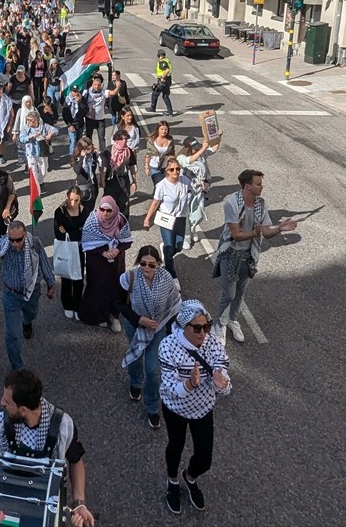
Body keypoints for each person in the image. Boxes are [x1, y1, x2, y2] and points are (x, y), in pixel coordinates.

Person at [0, 369, 95, 527]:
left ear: (23, 410)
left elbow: (76, 460)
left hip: (45, 508)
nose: (2, 402)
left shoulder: (63, 425)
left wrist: (79, 503)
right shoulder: (1, 422)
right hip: (9, 504)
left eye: (7, 401)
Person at [157, 301, 231, 515]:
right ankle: (172, 481)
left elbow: (224, 376)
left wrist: (222, 383)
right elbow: (169, 386)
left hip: (203, 408)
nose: (203, 333)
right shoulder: (168, 346)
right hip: (175, 408)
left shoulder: (213, 344)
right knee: (175, 447)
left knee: (205, 459)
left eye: (206, 326)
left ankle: (189, 477)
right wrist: (189, 384)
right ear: (182, 327)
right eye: (197, 328)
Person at [215, 169, 299, 344]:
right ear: (247, 186)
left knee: (240, 292)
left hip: (248, 255)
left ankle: (232, 320)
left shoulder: (260, 204)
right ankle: (220, 324)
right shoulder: (231, 203)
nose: (262, 187)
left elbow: (266, 232)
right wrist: (255, 233)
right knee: (228, 293)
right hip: (230, 254)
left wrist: (279, 229)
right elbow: (236, 234)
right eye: (258, 184)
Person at [0, 220, 55, 370]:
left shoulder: (35, 243)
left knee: (31, 314)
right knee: (13, 335)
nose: (15, 243)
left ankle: (27, 322)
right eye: (12, 239)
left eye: (18, 240)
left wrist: (51, 284)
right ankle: (17, 368)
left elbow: (44, 263)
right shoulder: (4, 245)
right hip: (10, 295)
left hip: (32, 291)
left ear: (24, 235)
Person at [117, 245, 180, 430]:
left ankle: (152, 406)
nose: (146, 268)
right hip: (135, 325)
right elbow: (118, 302)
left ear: (158, 264)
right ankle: (135, 381)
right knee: (136, 357)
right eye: (143, 263)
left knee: (153, 370)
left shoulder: (166, 279)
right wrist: (139, 319)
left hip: (158, 327)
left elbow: (174, 304)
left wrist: (172, 331)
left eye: (151, 265)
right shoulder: (129, 278)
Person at [77, 197, 132, 331]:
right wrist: (103, 253)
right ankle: (97, 316)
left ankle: (114, 316)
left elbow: (127, 240)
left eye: (109, 210)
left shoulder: (120, 220)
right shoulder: (92, 221)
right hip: (97, 263)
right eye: (102, 209)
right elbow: (87, 243)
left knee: (115, 287)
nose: (105, 213)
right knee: (97, 288)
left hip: (116, 262)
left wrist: (117, 249)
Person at [143, 155, 191, 277]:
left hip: (180, 217)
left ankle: (166, 249)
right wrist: (147, 219)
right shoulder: (162, 186)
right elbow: (155, 203)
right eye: (172, 169)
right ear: (166, 171)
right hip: (166, 218)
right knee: (169, 249)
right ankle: (171, 274)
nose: (175, 172)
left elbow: (192, 190)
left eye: (177, 169)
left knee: (179, 246)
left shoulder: (185, 181)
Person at [177, 133, 220, 250]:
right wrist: (202, 149)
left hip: (199, 190)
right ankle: (186, 237)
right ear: (188, 148)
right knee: (186, 214)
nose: (197, 149)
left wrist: (218, 137)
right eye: (194, 147)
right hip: (186, 191)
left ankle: (193, 228)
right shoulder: (180, 158)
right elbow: (189, 160)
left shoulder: (201, 155)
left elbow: (214, 148)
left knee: (198, 214)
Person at [53, 187, 87, 321]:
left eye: (76, 200)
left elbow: (86, 231)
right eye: (71, 199)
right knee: (66, 276)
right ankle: (67, 304)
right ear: (67, 197)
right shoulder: (60, 212)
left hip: (79, 248)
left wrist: (68, 231)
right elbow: (58, 233)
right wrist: (76, 231)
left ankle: (77, 305)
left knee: (78, 277)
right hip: (66, 248)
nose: (73, 203)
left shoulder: (84, 212)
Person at [101, 129, 137, 217]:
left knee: (123, 204)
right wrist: (102, 180)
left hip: (124, 180)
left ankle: (123, 223)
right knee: (109, 203)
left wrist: (134, 182)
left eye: (126, 139)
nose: (124, 141)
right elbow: (103, 167)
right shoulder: (109, 150)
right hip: (111, 180)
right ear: (116, 139)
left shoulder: (128, 152)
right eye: (122, 139)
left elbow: (132, 167)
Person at [18, 109, 58, 182]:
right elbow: (21, 138)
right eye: (27, 120)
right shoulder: (26, 128)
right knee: (33, 172)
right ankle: (36, 187)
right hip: (31, 152)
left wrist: (51, 134)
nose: (28, 122)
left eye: (30, 120)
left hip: (42, 152)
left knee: (44, 171)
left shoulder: (44, 126)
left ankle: (40, 182)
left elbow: (56, 130)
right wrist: (30, 137)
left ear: (36, 120)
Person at [71, 137, 104, 217]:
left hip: (93, 185)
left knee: (90, 208)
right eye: (87, 149)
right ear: (81, 149)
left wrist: (98, 154)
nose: (89, 150)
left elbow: (103, 163)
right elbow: (77, 171)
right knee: (82, 209)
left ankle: (88, 225)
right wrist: (82, 157)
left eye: (91, 148)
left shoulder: (92, 156)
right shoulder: (76, 158)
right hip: (82, 187)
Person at [144, 120, 176, 187]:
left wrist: (173, 163)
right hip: (154, 166)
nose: (164, 131)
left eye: (166, 129)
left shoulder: (170, 140)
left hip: (166, 166)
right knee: (159, 184)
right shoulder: (152, 140)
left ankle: (156, 194)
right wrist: (146, 167)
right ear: (158, 129)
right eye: (161, 129)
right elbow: (148, 154)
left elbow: (172, 153)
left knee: (166, 185)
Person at [83, 74, 112, 148]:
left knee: (101, 137)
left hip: (100, 119)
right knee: (89, 137)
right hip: (90, 118)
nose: (97, 86)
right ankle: (90, 152)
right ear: (92, 84)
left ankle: (103, 154)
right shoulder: (87, 92)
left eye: (98, 85)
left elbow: (112, 93)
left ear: (101, 85)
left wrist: (117, 87)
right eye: (95, 85)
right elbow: (82, 102)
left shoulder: (103, 92)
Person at [62, 83, 86, 154]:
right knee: (73, 142)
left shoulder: (82, 98)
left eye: (76, 91)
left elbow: (86, 110)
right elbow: (64, 114)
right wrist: (69, 125)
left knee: (79, 141)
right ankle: (73, 158)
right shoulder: (67, 100)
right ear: (71, 92)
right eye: (74, 91)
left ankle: (78, 156)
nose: (75, 93)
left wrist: (80, 102)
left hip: (80, 124)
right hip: (72, 124)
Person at [149, 50, 174, 115]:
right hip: (168, 80)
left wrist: (163, 77)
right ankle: (170, 111)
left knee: (155, 93)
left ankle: (152, 108)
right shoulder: (166, 60)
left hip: (163, 81)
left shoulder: (162, 62)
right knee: (165, 96)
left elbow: (167, 70)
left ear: (159, 55)